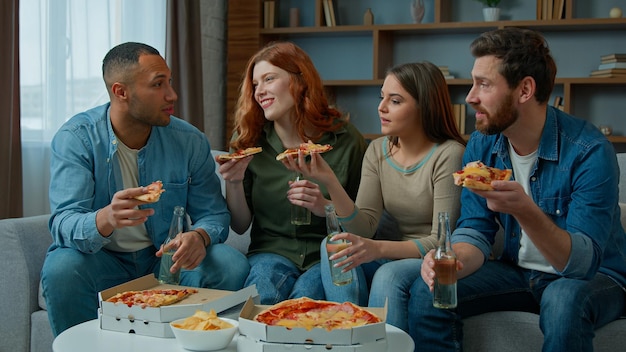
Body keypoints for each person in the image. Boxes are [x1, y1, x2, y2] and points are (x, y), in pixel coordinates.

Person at [409, 27, 626, 351]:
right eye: (473, 82)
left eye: (484, 84)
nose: (470, 97)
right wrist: (454, 262)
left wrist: (524, 210)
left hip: (597, 278)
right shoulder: (482, 145)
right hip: (517, 272)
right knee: (431, 290)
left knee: (563, 298)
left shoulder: (588, 151)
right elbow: (475, 229)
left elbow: (580, 264)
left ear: (524, 89)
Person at [41, 42, 250, 336]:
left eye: (170, 81)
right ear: (121, 92)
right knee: (61, 269)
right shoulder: (77, 138)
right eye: (158, 84)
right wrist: (106, 218)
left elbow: (214, 214)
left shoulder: (189, 140)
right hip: (103, 261)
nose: (172, 95)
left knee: (230, 264)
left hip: (166, 261)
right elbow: (62, 222)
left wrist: (198, 236)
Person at [291, 62, 465, 325]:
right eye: (381, 97)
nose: (381, 107)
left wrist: (377, 249)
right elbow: (364, 228)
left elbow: (441, 242)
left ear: (424, 106)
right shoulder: (378, 150)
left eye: (394, 101)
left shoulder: (449, 154)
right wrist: (328, 179)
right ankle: (347, 331)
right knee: (332, 246)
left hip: (426, 258)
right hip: (388, 251)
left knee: (388, 275)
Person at [216, 41, 367, 305]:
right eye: (255, 85)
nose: (259, 91)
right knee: (259, 297)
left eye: (269, 79)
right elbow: (240, 225)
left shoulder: (346, 140)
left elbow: (362, 223)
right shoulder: (247, 140)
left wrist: (326, 207)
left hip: (325, 256)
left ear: (300, 81)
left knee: (304, 304)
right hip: (270, 253)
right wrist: (235, 182)